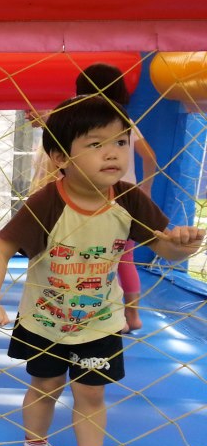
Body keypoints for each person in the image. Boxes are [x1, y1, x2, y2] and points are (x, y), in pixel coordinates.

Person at [0, 95, 203, 446]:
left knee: (92, 392)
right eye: (95, 145)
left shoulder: (129, 199)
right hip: (45, 319)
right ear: (62, 157)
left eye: (119, 142)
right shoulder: (48, 201)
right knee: (44, 385)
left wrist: (182, 246)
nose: (112, 154)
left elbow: (163, 247)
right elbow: (2, 247)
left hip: (99, 320)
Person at [75, 63, 158, 331]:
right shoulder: (124, 120)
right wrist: (144, 190)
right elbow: (150, 157)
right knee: (124, 258)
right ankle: (132, 316)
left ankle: (96, 313)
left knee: (91, 257)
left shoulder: (84, 123)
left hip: (97, 196)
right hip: (125, 197)